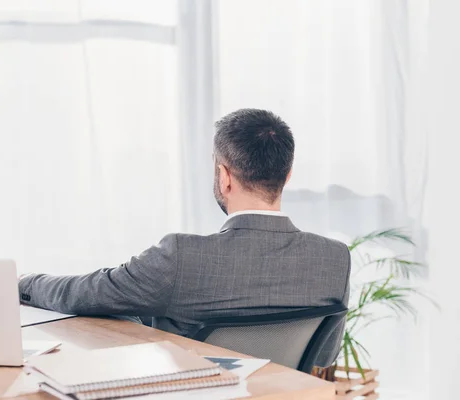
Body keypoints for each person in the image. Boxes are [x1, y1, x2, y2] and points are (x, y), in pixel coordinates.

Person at [19, 109, 350, 366]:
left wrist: (24, 282)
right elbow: (323, 359)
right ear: (287, 175)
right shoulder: (334, 259)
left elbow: (85, 294)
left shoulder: (182, 257)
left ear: (224, 177)